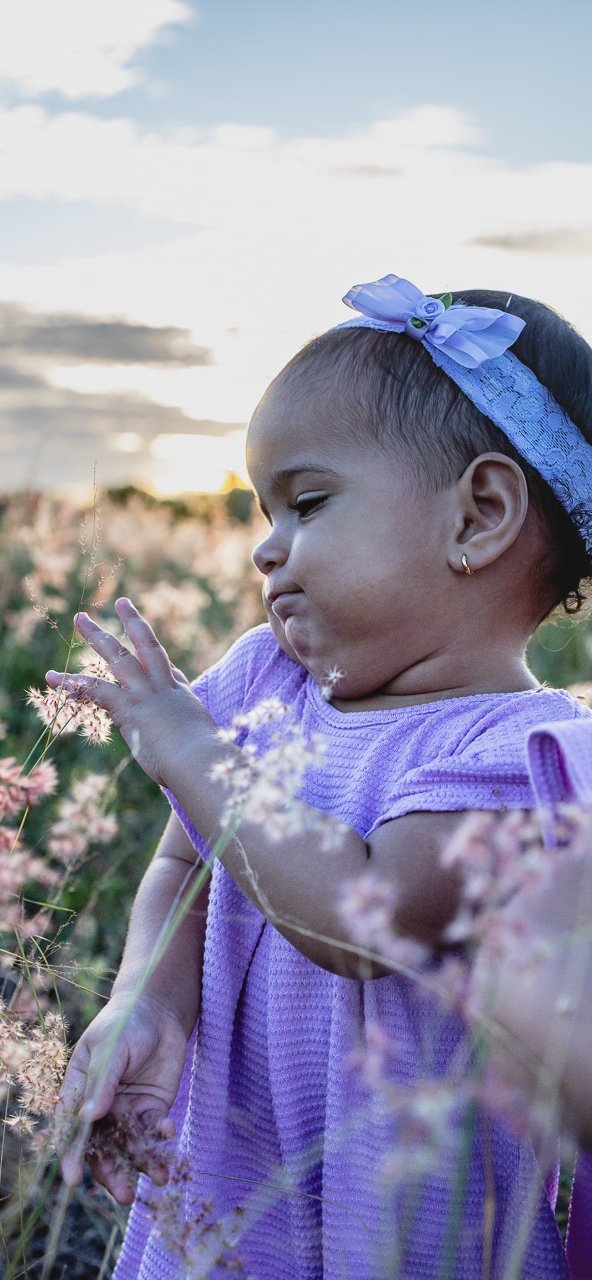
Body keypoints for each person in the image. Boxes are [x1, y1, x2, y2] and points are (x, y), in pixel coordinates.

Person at [46, 274, 592, 1279]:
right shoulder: (270, 677)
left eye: (306, 502)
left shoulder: (515, 755)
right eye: (264, 510)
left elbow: (362, 914)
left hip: (402, 1208)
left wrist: (189, 746)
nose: (266, 547)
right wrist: (147, 1001)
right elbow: (186, 865)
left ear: (476, 515)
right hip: (229, 1157)